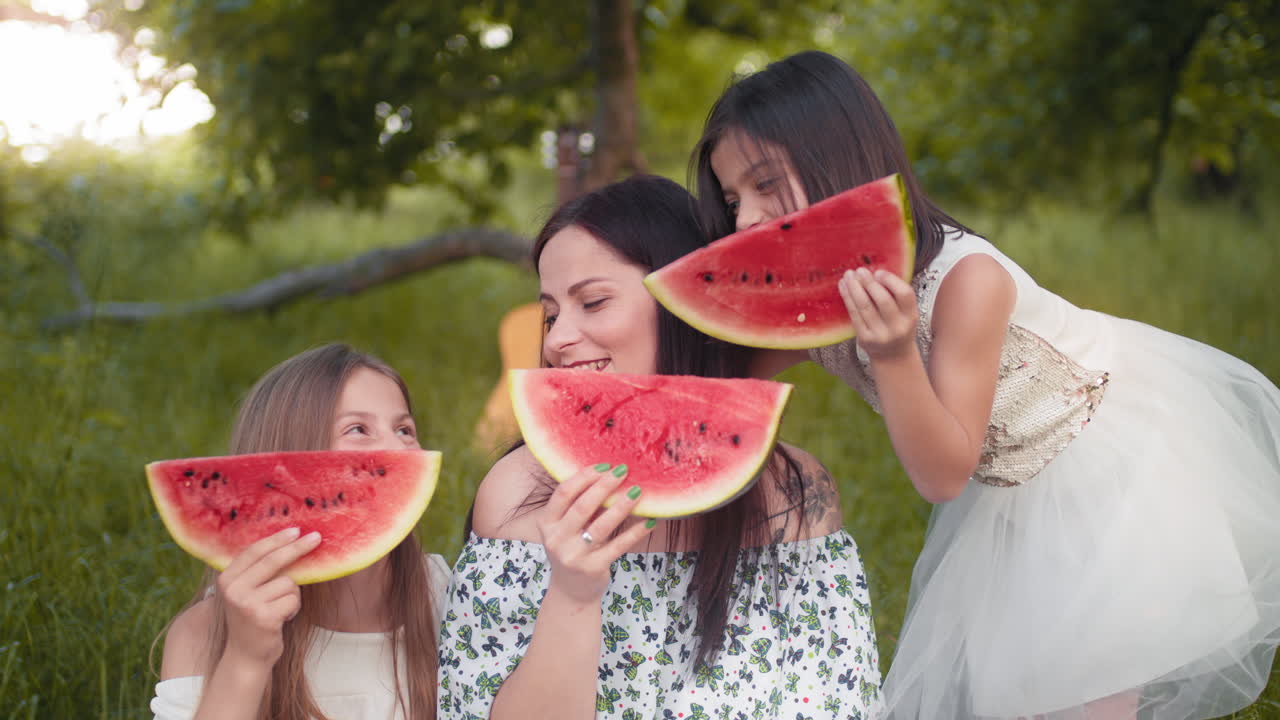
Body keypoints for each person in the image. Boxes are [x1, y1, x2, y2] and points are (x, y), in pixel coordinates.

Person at [690, 49, 1280, 719]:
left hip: (1111, 469)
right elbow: (711, 377)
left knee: (1089, 693)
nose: (744, 222)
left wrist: (891, 353)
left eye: (767, 185)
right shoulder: (811, 298)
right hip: (1009, 490)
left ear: (841, 158)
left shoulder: (967, 283)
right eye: (733, 199)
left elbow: (944, 473)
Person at [437, 174, 884, 720]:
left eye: (594, 302)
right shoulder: (517, 497)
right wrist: (573, 597)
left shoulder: (795, 494)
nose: (555, 340)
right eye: (550, 314)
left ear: (685, 304)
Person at [151, 343, 448, 720]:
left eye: (405, 429)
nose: (398, 449)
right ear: (286, 469)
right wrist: (246, 658)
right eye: (358, 429)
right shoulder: (203, 633)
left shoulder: (443, 595)